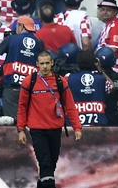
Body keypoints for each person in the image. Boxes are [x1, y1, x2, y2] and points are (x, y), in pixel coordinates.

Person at [16, 50, 82, 188]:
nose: (45, 66)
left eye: (47, 63)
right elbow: (22, 107)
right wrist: (21, 129)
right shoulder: (29, 81)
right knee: (45, 163)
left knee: (51, 165)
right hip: (37, 130)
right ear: (37, 65)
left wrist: (77, 127)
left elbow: (70, 106)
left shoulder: (60, 81)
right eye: (42, 63)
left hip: (55, 129)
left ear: (52, 63)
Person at [0, 14, 44, 119]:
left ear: (21, 26)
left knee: (11, 123)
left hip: (12, 87)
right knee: (30, 121)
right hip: (31, 88)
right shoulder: (39, 42)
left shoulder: (11, 39)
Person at [95, 0, 118, 74]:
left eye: (108, 10)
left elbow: (113, 49)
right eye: (102, 10)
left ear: (115, 12)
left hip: (114, 69)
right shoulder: (107, 25)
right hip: (105, 67)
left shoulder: (116, 26)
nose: (105, 12)